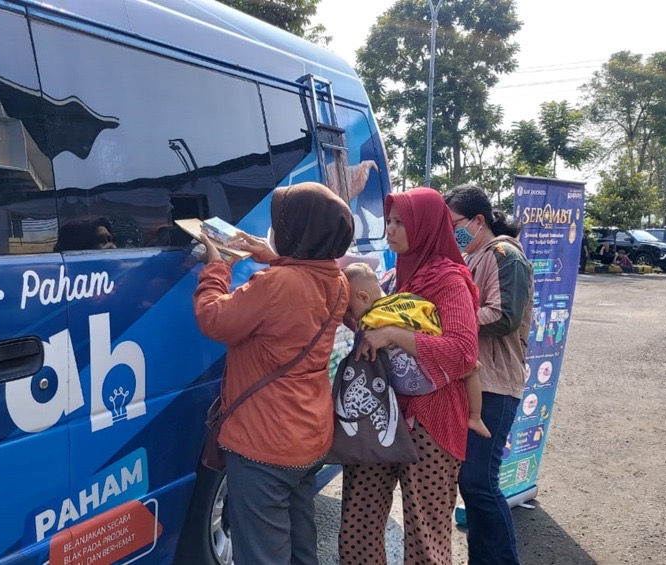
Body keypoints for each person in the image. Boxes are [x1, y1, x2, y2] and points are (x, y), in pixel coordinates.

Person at [193, 182, 354, 565]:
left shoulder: (274, 284)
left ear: (297, 232)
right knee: (301, 546)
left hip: (263, 444)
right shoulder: (337, 282)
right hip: (308, 436)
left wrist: (217, 267)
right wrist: (267, 254)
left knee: (263, 554)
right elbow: (300, 279)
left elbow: (214, 318)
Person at [338, 187, 480, 565]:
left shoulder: (449, 282)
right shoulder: (392, 278)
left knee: (424, 534)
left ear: (427, 225)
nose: (391, 229)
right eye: (389, 220)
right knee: (358, 522)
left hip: (431, 421)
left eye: (402, 222)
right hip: (382, 414)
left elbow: (464, 353)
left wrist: (395, 335)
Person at [445, 184, 535, 565]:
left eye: (455, 225)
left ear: (478, 220)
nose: (452, 233)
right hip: (477, 382)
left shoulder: (503, 255)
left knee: (479, 482)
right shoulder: (476, 255)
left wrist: (447, 320)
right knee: (472, 482)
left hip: (497, 385)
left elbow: (504, 316)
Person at [343, 262, 490, 438]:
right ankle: (475, 416)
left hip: (412, 384)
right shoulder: (407, 300)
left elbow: (363, 337)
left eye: (350, 309)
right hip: (436, 367)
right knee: (472, 367)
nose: (352, 315)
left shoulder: (371, 318)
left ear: (364, 297)